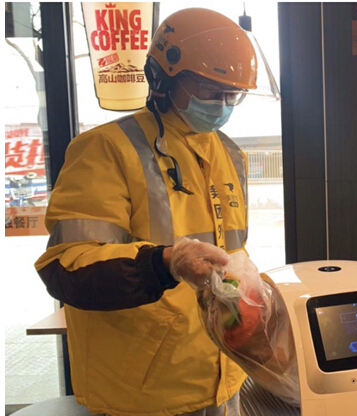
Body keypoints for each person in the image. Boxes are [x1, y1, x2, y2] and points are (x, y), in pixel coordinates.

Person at [34, 8, 279, 416]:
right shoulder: (107, 150)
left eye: (231, 95)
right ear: (162, 78)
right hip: (143, 395)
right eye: (208, 89)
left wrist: (255, 305)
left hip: (225, 377)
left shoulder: (229, 155)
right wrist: (163, 264)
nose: (221, 104)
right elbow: (65, 269)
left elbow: (234, 255)